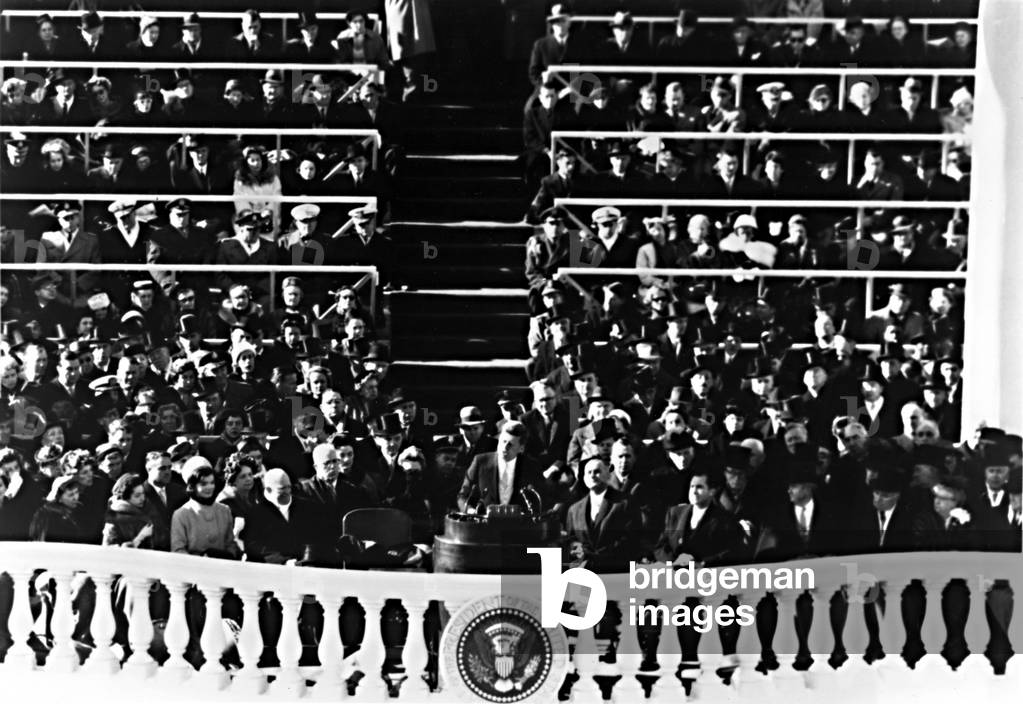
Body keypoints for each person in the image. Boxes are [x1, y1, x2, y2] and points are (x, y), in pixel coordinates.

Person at [563, 457, 635, 572]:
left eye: (597, 472)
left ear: (607, 475)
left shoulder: (624, 503)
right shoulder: (574, 510)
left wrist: (601, 556)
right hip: (584, 572)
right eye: (589, 472)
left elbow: (631, 537)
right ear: (584, 478)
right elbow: (571, 540)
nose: (592, 476)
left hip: (614, 569)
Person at [457, 421, 544, 512]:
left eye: (510, 444)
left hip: (519, 524)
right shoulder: (480, 462)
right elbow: (463, 496)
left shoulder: (531, 466)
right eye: (503, 441)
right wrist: (471, 511)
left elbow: (542, 497)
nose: (504, 447)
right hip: (484, 523)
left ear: (521, 448)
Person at [170, 464, 237, 558]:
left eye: (212, 482)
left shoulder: (224, 510)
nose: (209, 487)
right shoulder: (181, 514)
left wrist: (227, 557)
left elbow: (230, 544)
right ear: (192, 486)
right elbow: (178, 550)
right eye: (203, 484)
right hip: (194, 569)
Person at [102, 473, 154, 548]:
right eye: (137, 495)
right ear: (125, 497)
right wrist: (140, 537)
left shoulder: (145, 513)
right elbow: (110, 551)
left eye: (143, 494)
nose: (143, 498)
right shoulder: (114, 519)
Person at [29, 475, 85, 542]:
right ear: (59, 499)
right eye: (70, 495)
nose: (75, 497)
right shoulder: (50, 515)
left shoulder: (74, 511)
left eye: (77, 492)